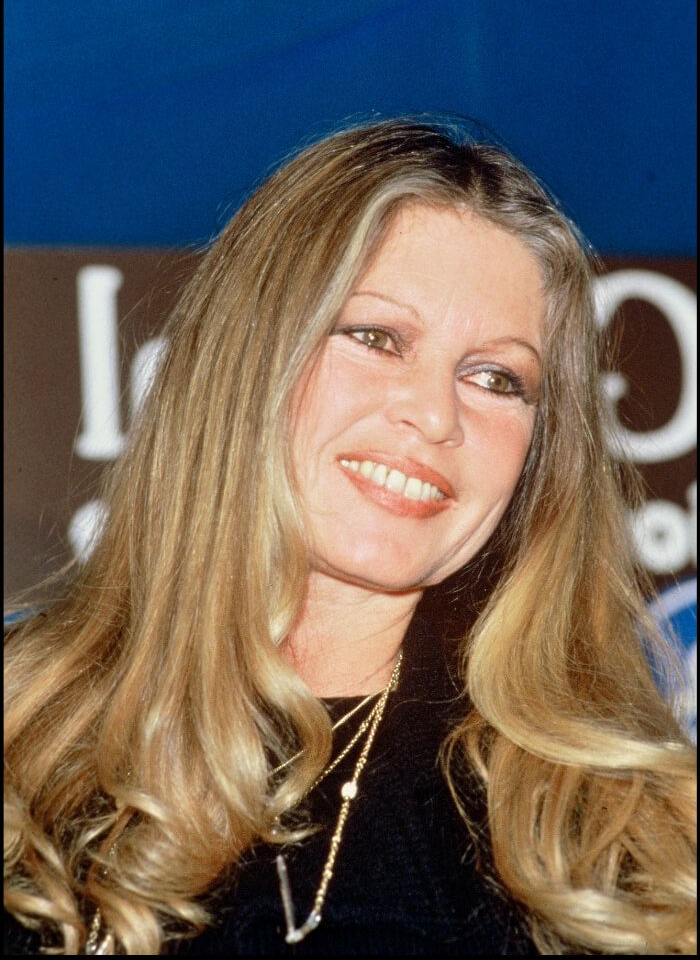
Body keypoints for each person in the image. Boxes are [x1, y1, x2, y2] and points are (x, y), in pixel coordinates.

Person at [4, 118, 695, 956]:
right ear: (249, 358)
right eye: (376, 338)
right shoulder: (24, 742)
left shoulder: (619, 830)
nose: (435, 415)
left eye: (495, 377)